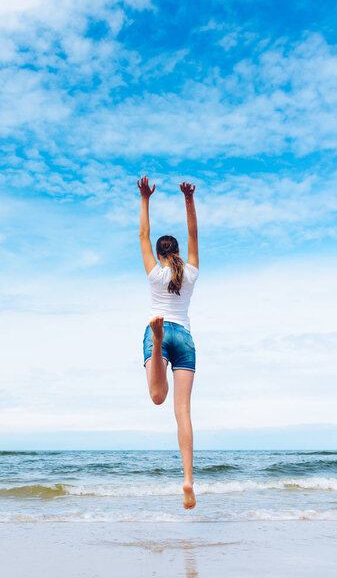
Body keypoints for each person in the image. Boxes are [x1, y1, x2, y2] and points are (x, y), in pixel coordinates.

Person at [137, 175, 199, 510]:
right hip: (186, 337)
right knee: (183, 412)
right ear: (176, 252)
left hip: (158, 329)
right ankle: (188, 479)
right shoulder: (189, 274)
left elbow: (143, 234)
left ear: (160, 255)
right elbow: (194, 235)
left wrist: (146, 198)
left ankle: (157, 340)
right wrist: (188, 200)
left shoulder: (154, 275)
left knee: (157, 398)